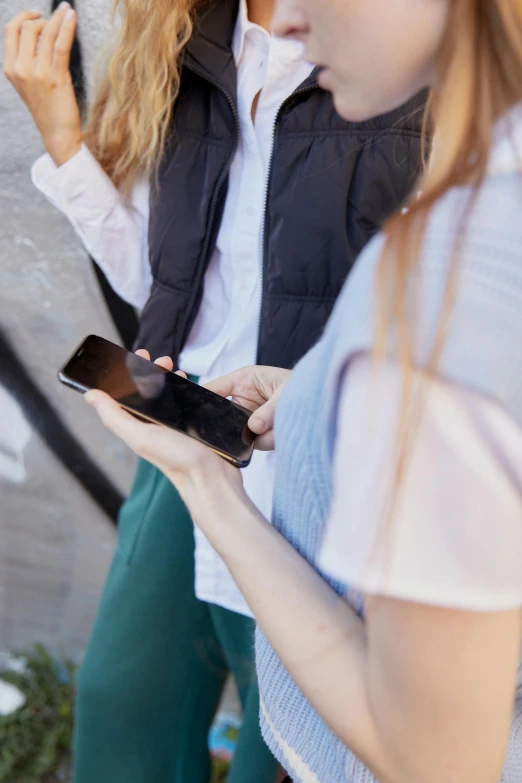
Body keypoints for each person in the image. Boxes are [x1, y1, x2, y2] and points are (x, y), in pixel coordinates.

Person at [75, 0, 522, 781]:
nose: (286, 21)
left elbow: (432, 761)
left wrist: (208, 480)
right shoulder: (472, 228)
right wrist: (319, 391)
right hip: (250, 428)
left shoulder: (454, 288)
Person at [3, 1, 425, 781]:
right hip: (184, 429)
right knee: (123, 708)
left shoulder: (409, 53)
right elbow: (170, 285)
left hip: (312, 465)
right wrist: (62, 137)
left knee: (290, 737)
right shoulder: (188, 33)